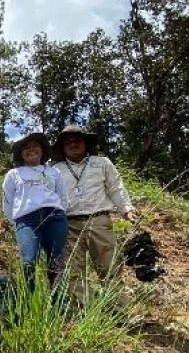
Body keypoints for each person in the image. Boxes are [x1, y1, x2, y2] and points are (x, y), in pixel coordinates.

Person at [52, 125, 138, 305]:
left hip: (98, 220)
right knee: (73, 271)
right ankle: (86, 312)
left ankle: (121, 311)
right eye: (68, 142)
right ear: (62, 147)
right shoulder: (54, 169)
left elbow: (115, 187)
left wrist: (127, 210)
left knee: (109, 267)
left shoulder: (101, 162)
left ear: (85, 143)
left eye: (77, 140)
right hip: (68, 223)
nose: (73, 144)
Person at [2, 133, 68, 289]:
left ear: (42, 150)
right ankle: (31, 303)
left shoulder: (54, 172)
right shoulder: (13, 174)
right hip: (27, 220)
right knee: (29, 262)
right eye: (26, 148)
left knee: (56, 261)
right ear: (20, 153)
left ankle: (57, 301)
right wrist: (18, 222)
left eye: (35, 146)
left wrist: (59, 213)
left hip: (55, 218)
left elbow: (63, 197)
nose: (31, 150)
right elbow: (7, 202)